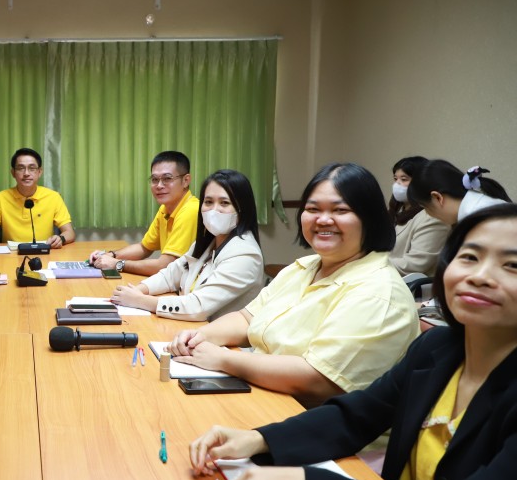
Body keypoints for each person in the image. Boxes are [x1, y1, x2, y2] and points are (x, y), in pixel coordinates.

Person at [189, 204, 517, 480]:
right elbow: (357, 416)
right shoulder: (437, 348)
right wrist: (258, 439)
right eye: (470, 257)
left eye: (512, 266)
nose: (480, 276)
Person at [168, 162, 419, 408]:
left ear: (370, 218)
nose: (323, 219)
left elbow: (319, 378)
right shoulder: (304, 267)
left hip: (314, 422)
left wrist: (224, 359)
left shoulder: (378, 292)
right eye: (313, 209)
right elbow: (247, 318)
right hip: (262, 395)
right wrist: (200, 337)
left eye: (340, 210)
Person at [110, 169, 264, 321]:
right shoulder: (209, 242)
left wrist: (140, 300)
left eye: (224, 203)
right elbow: (171, 275)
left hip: (220, 337)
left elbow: (198, 307)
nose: (214, 210)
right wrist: (138, 290)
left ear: (242, 209)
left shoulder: (245, 255)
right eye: (208, 202)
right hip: (192, 330)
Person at [90, 151, 200, 277]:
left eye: (167, 179)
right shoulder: (165, 208)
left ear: (186, 180)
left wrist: (117, 264)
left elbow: (165, 266)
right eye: (154, 179)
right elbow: (144, 248)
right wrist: (110, 255)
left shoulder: (191, 210)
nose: (159, 185)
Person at [0, 147, 75, 248]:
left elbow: (69, 232)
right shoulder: (0, 198)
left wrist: (61, 239)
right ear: (13, 173)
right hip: (11, 253)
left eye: (32, 168)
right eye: (21, 168)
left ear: (39, 172)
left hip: (45, 252)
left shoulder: (53, 197)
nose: (26, 173)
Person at [387, 156, 450, 277]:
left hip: (413, 285)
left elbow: (416, 263)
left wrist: (374, 266)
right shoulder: (396, 211)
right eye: (395, 179)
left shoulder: (432, 217)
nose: (397, 184)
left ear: (421, 182)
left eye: (404, 179)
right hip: (388, 277)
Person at [407, 160, 511, 226]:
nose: (427, 214)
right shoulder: (477, 205)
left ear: (437, 197)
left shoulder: (476, 218)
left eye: (425, 207)